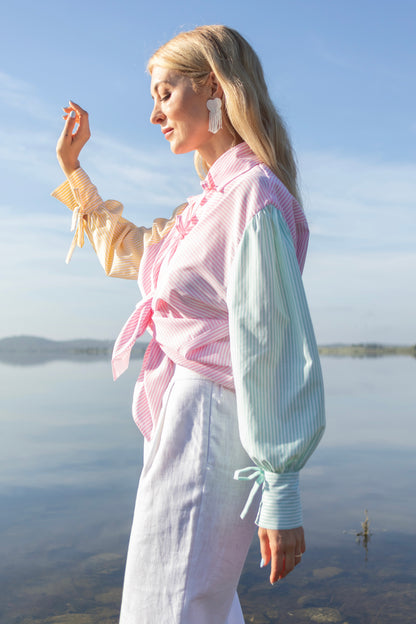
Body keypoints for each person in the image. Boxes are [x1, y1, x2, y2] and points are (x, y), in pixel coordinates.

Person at [53, 24, 325, 624]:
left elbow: (272, 342)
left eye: (165, 92)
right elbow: (133, 252)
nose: (155, 114)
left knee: (169, 606)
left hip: (211, 423)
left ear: (215, 90)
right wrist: (75, 171)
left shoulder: (252, 194)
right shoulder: (207, 204)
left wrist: (281, 489)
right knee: (193, 603)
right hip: (185, 419)